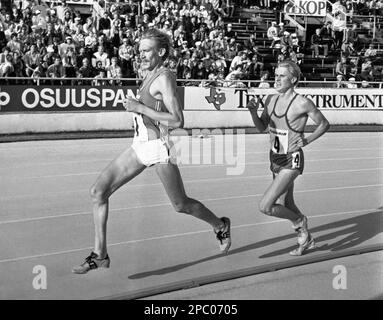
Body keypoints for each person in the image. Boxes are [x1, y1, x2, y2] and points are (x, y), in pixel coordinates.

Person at [72, 28, 231, 274]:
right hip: (140, 146)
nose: (141, 55)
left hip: (159, 148)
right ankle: (100, 254)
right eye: (140, 50)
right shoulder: (148, 74)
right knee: (98, 192)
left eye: (147, 50)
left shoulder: (164, 77)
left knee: (181, 204)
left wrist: (139, 108)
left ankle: (220, 225)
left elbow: (178, 120)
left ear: (162, 52)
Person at [246, 60, 330, 256]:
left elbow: (324, 124)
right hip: (275, 158)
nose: (277, 78)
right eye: (276, 75)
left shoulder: (302, 103)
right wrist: (252, 112)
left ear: (293, 79)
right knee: (287, 204)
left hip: (292, 160)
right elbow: (261, 128)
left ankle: (300, 222)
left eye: (282, 76)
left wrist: (307, 141)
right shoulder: (270, 100)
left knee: (266, 206)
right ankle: (305, 239)